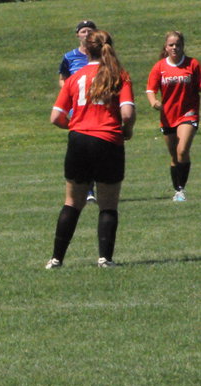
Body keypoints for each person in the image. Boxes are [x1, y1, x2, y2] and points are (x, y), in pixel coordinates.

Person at [46, 30, 136, 269]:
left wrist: (76, 127)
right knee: (108, 205)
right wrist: (127, 130)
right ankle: (105, 259)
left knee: (72, 203)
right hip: (108, 140)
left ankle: (56, 259)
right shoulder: (119, 75)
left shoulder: (75, 77)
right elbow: (127, 114)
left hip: (79, 141)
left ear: (87, 50)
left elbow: (55, 117)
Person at [146, 31, 200, 202]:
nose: (175, 47)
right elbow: (150, 89)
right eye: (171, 45)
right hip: (168, 116)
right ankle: (177, 190)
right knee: (174, 156)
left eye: (178, 44)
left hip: (188, 114)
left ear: (183, 46)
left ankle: (181, 189)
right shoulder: (160, 67)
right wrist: (154, 102)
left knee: (182, 150)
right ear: (166, 47)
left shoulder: (193, 64)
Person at [59, 19, 99, 203]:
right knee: (82, 149)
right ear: (77, 35)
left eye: (90, 30)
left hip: (98, 108)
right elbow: (63, 79)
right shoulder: (70, 57)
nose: (87, 34)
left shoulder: (103, 56)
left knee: (96, 149)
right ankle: (88, 189)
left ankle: (94, 186)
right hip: (77, 109)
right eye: (83, 31)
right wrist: (70, 91)